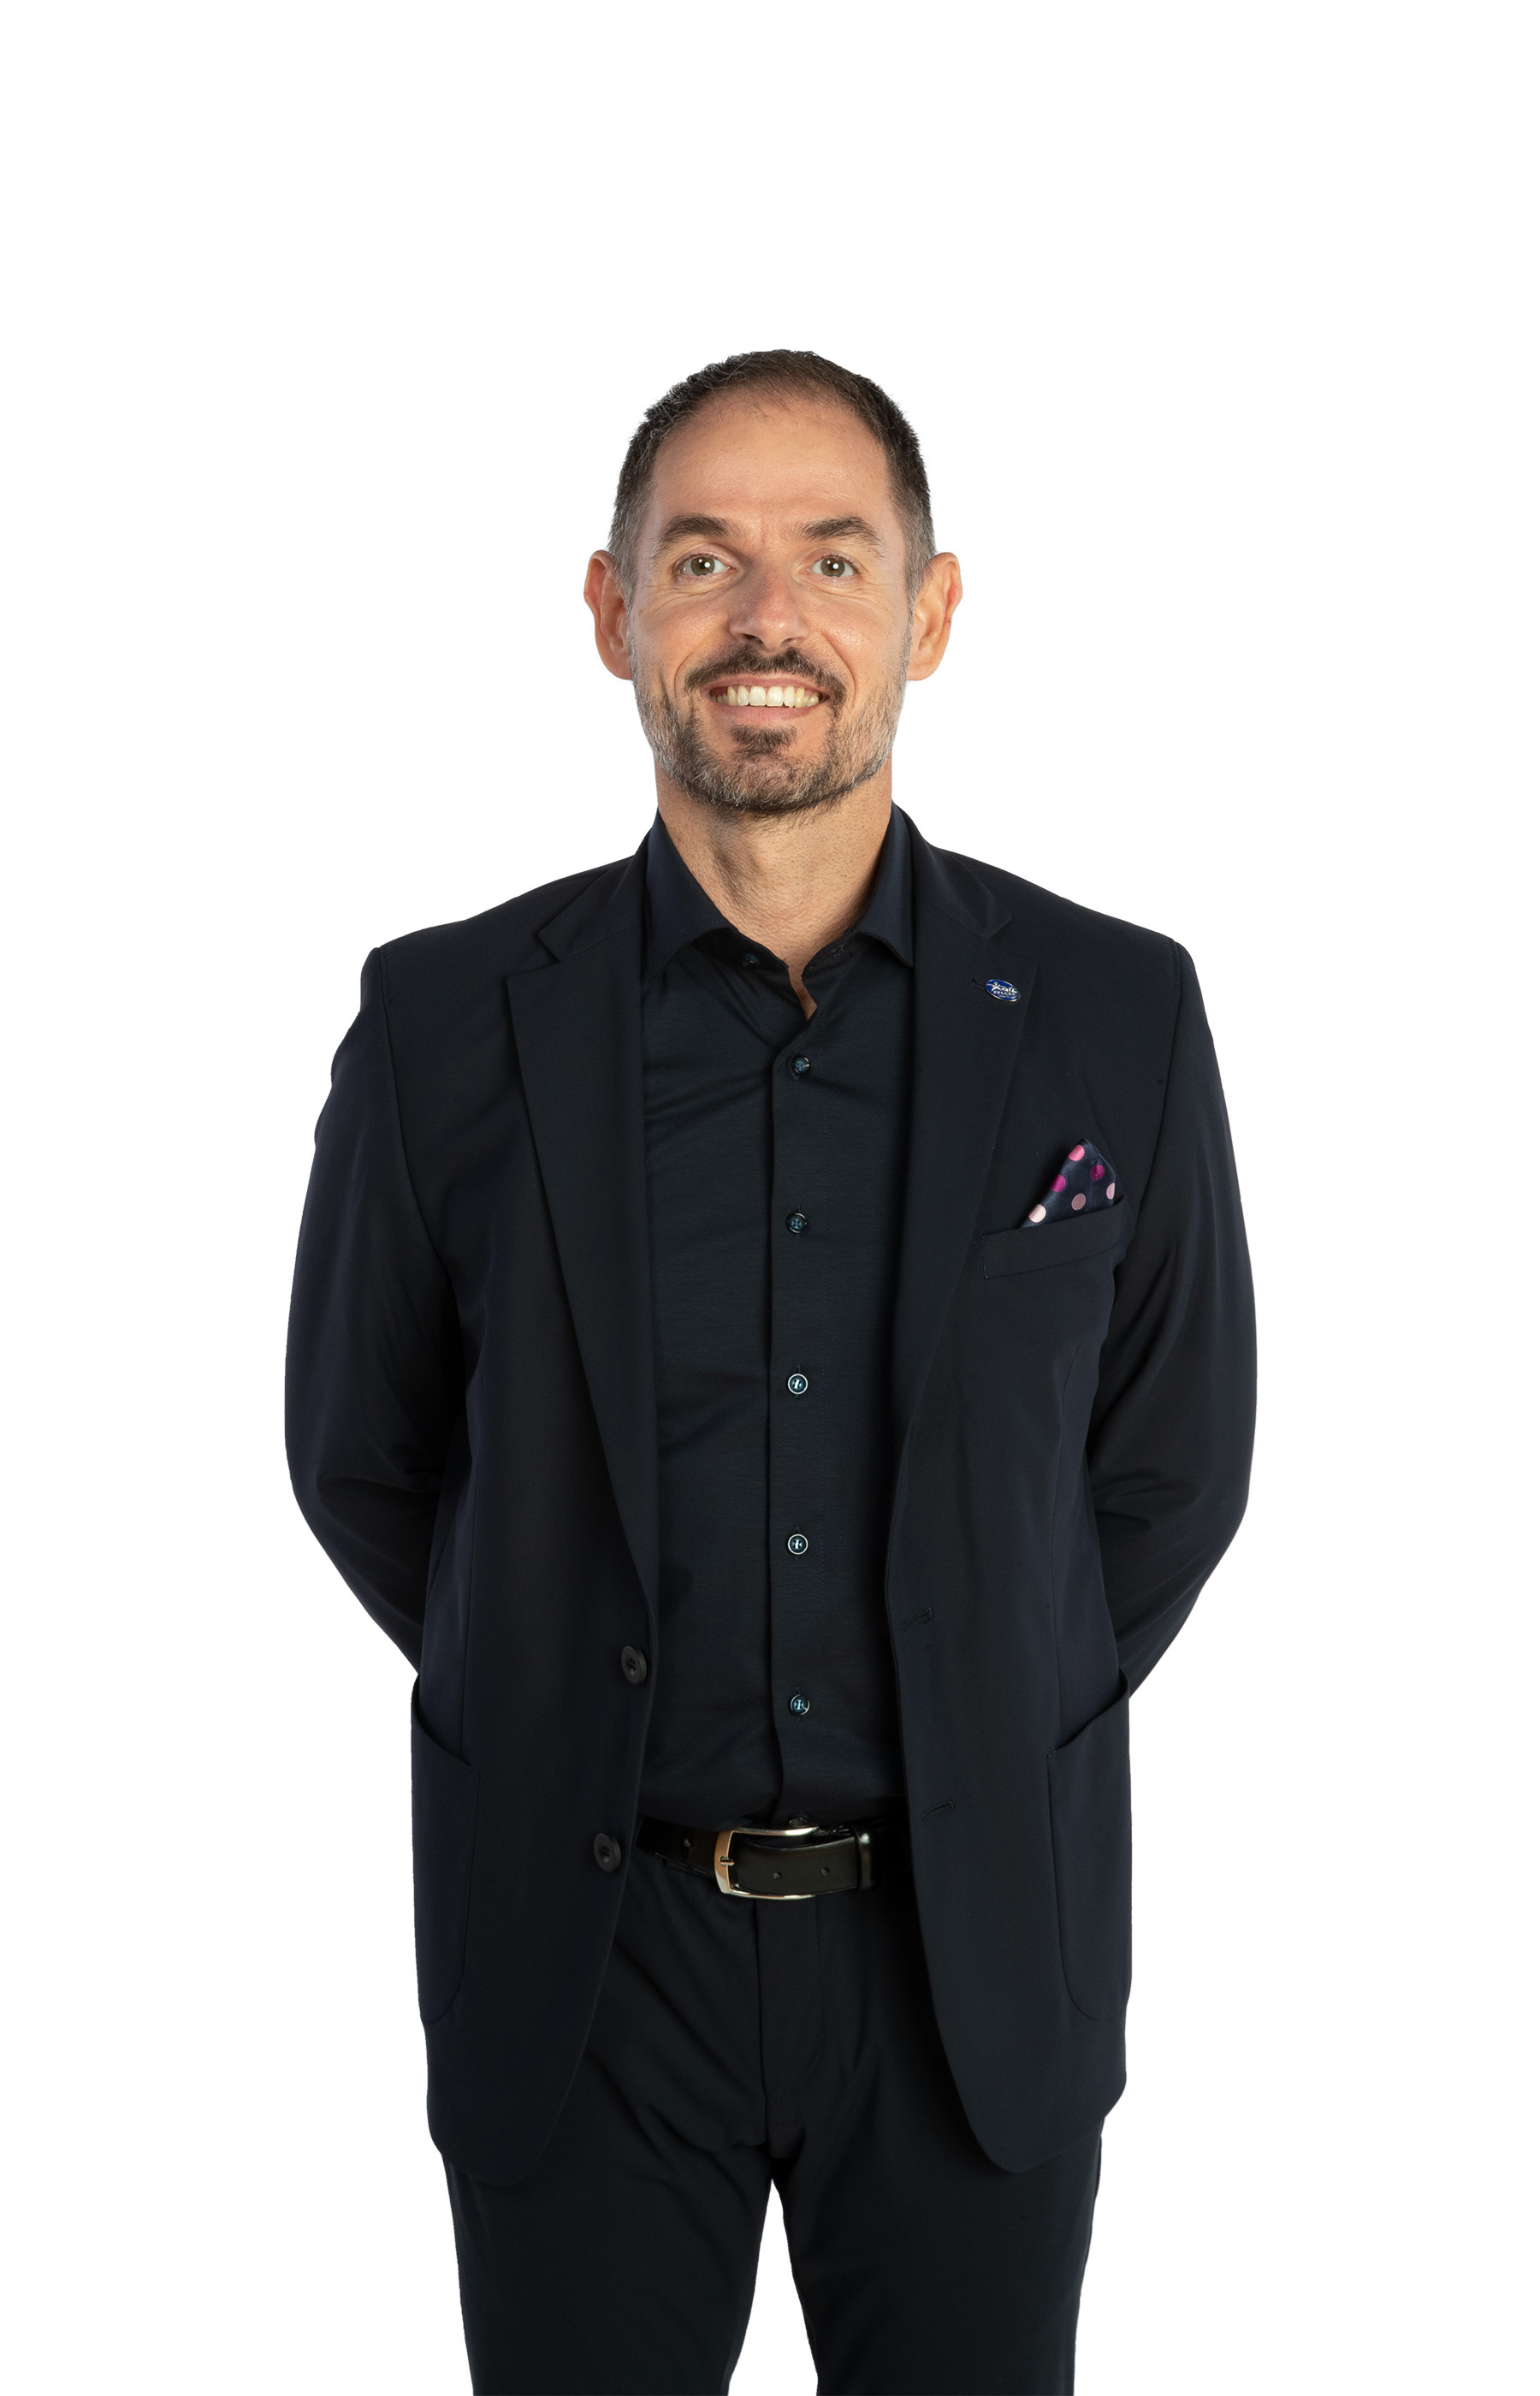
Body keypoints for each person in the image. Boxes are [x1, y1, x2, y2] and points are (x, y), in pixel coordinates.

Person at [286, 349, 1255, 2394]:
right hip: (584, 1961)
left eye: (832, 555)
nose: (767, 615)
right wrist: (555, 1678)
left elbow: (1169, 1467)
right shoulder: (447, 1022)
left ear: (930, 609)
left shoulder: (1116, 1013)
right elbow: (364, 1456)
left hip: (972, 1955)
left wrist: (988, 1697)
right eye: (703, 557)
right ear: (613, 609)